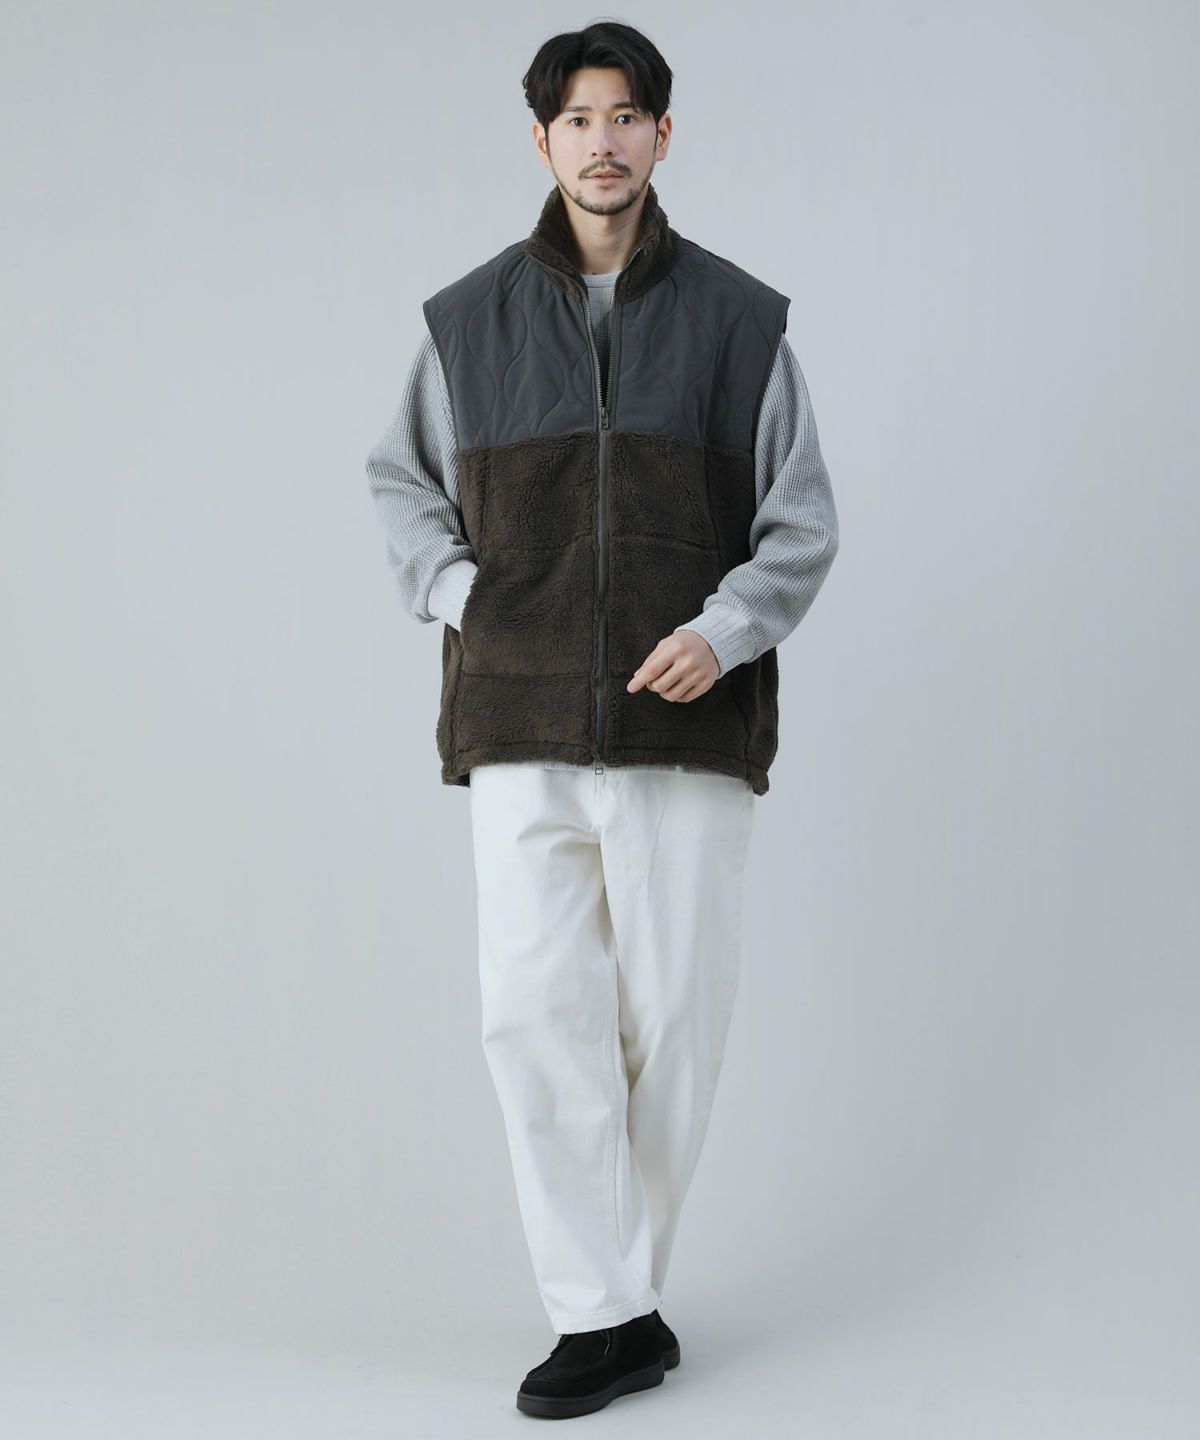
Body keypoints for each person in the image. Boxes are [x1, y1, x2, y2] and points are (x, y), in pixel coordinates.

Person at [365, 20, 839, 1420]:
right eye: (577, 118)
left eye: (626, 115)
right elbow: (399, 484)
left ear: (662, 135)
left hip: (684, 725)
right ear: (542, 141)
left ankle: (618, 1302)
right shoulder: (466, 322)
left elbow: (800, 521)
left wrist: (723, 632)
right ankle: (603, 1313)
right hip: (517, 717)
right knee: (534, 1016)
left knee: (674, 1022)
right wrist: (465, 593)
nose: (603, 140)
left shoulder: (743, 323)